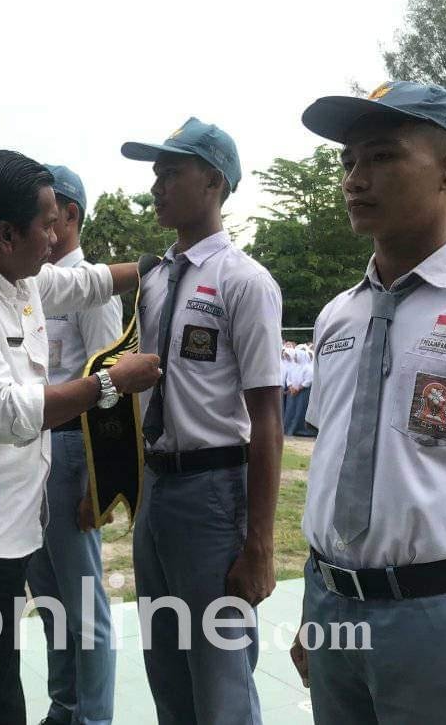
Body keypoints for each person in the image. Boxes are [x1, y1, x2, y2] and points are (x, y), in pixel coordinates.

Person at [291, 81, 446, 725]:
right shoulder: (336, 317)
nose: (355, 178)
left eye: (381, 156)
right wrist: (312, 604)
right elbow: (331, 469)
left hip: (438, 617)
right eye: (348, 161)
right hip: (331, 609)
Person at [0, 150, 161, 725]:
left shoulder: (12, 274)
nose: (55, 236)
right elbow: (6, 413)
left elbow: (83, 282)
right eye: (46, 224)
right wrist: (108, 384)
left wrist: (155, 265)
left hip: (0, 533)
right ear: (4, 233)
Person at [120, 118, 284, 724]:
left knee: (220, 675)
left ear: (213, 181)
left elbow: (267, 419)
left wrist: (260, 543)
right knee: (165, 664)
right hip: (158, 490)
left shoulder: (245, 282)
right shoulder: (156, 281)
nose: (157, 186)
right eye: (156, 173)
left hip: (215, 493)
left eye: (171, 172)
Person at [26, 164, 122, 725]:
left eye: (46, 211)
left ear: (70, 217)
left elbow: (111, 386)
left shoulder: (90, 284)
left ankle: (93, 718)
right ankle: (64, 709)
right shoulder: (29, 284)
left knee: (85, 606)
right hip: (31, 451)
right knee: (52, 600)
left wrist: (98, 479)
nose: (37, 221)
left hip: (69, 452)